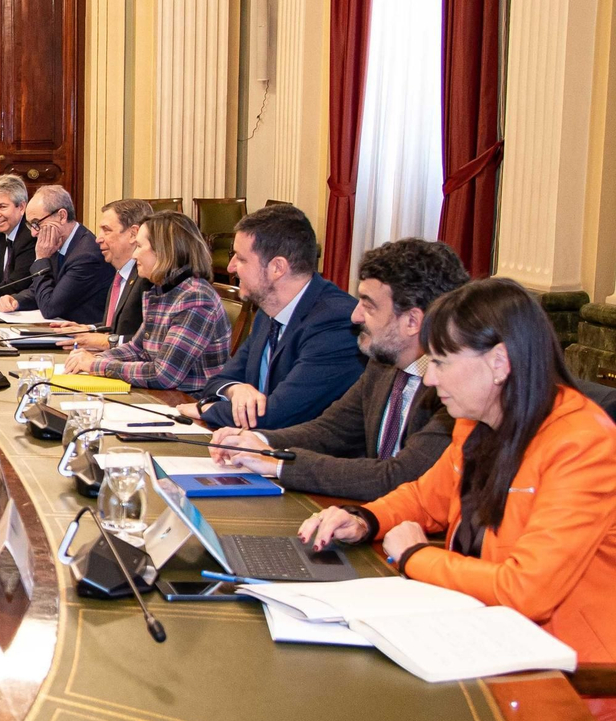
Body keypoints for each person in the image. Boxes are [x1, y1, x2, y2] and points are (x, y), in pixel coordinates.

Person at [299, 278, 616, 721]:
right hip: (480, 644)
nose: (428, 378)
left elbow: (526, 590)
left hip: (564, 689)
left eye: (442, 363)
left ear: (500, 363)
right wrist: (364, 518)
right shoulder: (480, 422)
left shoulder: (582, 445)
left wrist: (414, 558)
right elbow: (425, 497)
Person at [209, 239, 471, 500]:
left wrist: (279, 464)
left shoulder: (455, 389)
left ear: (413, 321)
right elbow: (331, 430)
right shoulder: (382, 366)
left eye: (368, 306)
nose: (355, 316)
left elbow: (401, 476)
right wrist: (258, 442)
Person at [180, 204, 363, 429]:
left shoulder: (335, 323)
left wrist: (206, 409)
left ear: (277, 267)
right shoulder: (269, 311)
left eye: (241, 258)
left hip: (301, 456)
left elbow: (278, 413)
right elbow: (217, 382)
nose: (230, 267)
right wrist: (236, 389)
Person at [62, 212, 229, 391]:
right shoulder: (162, 290)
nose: (134, 255)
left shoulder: (195, 298)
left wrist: (95, 365)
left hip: (189, 401)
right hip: (164, 396)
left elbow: (163, 375)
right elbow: (137, 349)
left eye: (140, 246)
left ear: (163, 251)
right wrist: (99, 358)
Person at [0, 185, 112, 324]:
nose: (33, 233)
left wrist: (41, 258)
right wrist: (16, 300)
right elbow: (40, 289)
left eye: (36, 223)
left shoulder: (86, 256)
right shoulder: (58, 242)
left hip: (83, 336)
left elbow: (50, 307)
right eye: (30, 225)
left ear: (62, 216)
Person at [57, 198, 154, 350]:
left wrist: (105, 341)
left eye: (107, 230)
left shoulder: (147, 278)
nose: (98, 239)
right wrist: (89, 329)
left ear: (133, 234)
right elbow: (116, 326)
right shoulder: (120, 273)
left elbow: (153, 340)